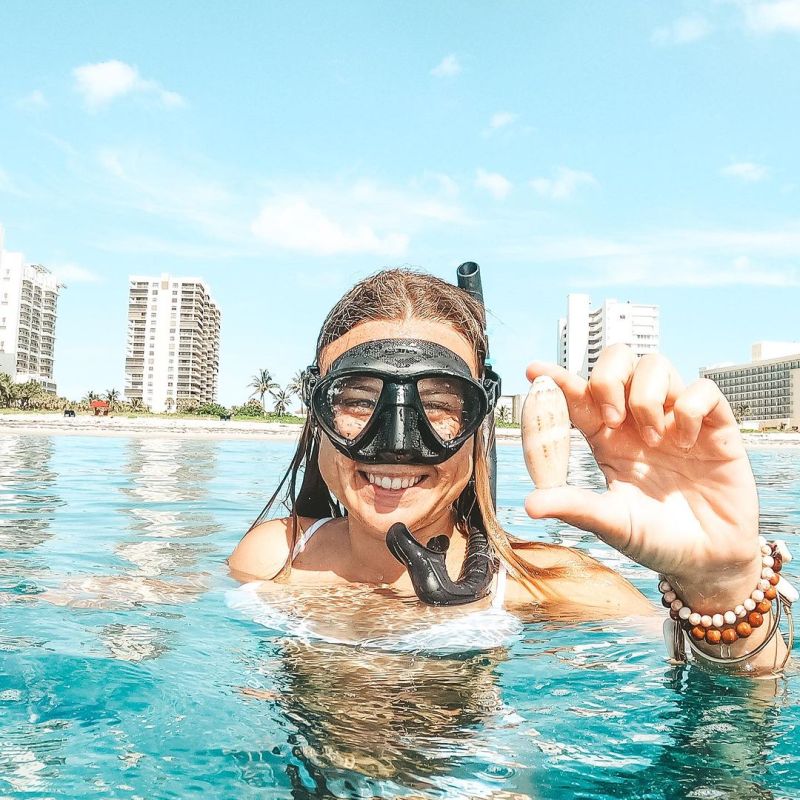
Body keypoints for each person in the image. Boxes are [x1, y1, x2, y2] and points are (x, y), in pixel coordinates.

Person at [229, 268, 790, 673]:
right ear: (315, 410)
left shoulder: (548, 587)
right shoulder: (273, 558)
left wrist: (721, 587)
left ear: (480, 421)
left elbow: (743, 712)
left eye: (442, 404)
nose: (396, 445)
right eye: (355, 399)